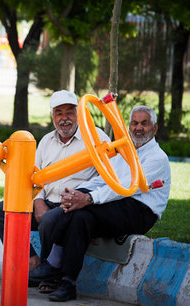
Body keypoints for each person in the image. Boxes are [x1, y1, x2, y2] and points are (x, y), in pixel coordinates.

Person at [31, 106, 171, 302]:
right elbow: (104, 179)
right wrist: (77, 192)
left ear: (154, 128)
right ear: (129, 126)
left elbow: (124, 188)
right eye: (135, 123)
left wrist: (88, 199)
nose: (138, 128)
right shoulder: (123, 151)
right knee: (80, 217)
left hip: (139, 210)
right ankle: (68, 283)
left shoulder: (157, 158)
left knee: (80, 210)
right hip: (116, 203)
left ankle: (52, 264)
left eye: (144, 123)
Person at [0, 90, 110, 290]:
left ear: (79, 113)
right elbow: (33, 177)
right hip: (46, 200)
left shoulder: (96, 137)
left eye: (70, 112)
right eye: (59, 113)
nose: (65, 118)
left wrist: (87, 202)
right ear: (52, 116)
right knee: (0, 212)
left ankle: (50, 275)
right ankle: (33, 261)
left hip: (74, 204)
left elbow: (108, 177)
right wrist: (38, 201)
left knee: (48, 220)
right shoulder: (46, 141)